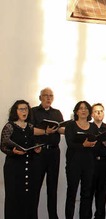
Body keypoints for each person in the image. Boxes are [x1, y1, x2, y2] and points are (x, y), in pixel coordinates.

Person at [2, 100, 45, 219]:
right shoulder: (9, 126)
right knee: (14, 197)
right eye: (21, 109)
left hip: (30, 166)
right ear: (16, 111)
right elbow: (3, 146)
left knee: (30, 197)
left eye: (26, 109)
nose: (24, 111)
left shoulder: (30, 126)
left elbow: (31, 143)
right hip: (14, 167)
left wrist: (36, 149)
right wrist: (13, 152)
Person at [31, 87, 64, 219]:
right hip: (39, 151)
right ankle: (32, 215)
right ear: (40, 98)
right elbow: (30, 130)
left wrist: (65, 129)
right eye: (46, 95)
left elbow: (61, 129)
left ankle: (53, 216)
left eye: (51, 95)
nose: (48, 98)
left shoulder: (57, 112)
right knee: (35, 186)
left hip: (54, 152)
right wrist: (45, 131)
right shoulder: (33, 112)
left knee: (52, 187)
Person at [64, 101, 99, 219]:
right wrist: (83, 145)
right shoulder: (70, 125)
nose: (83, 110)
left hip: (89, 164)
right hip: (74, 163)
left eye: (86, 109)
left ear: (89, 112)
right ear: (76, 111)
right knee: (72, 193)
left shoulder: (93, 126)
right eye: (81, 108)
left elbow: (96, 142)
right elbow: (70, 144)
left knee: (86, 194)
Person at [91, 103, 106, 219]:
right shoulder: (88, 127)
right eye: (96, 111)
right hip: (91, 163)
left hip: (105, 163)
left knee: (102, 193)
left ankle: (100, 216)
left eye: (101, 111)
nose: (99, 113)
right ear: (92, 114)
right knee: (89, 192)